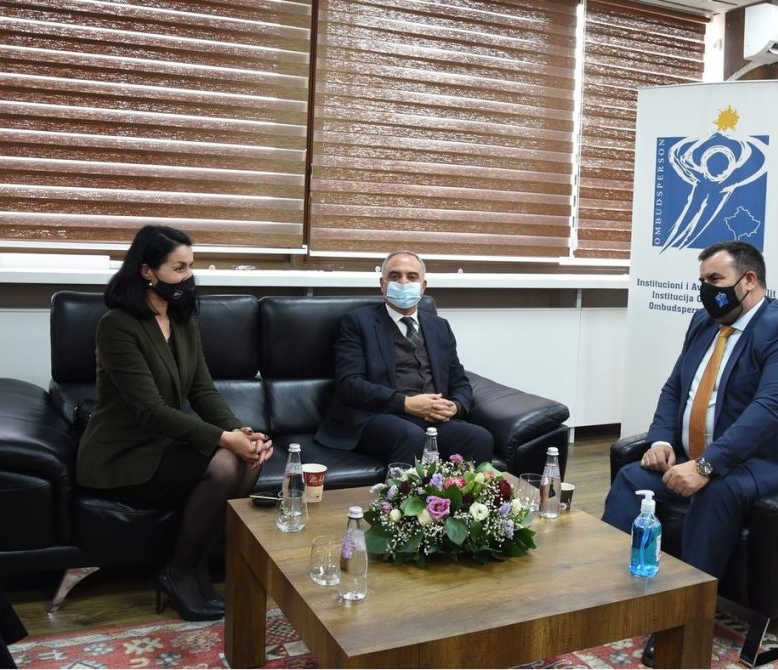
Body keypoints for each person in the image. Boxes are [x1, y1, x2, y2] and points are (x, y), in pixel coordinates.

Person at [602, 241, 778, 665]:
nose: (706, 290)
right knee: (632, 477)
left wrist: (706, 465)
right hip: (707, 454)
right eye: (702, 281)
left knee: (716, 493)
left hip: (774, 460)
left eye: (715, 280)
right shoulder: (705, 322)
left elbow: (769, 411)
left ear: (749, 281)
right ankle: (610, 595)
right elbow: (677, 387)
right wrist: (660, 440)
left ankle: (685, 624)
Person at [76, 225, 273, 622]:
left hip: (164, 444)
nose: (189, 277)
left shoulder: (183, 320)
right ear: (147, 271)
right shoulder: (117, 325)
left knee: (248, 459)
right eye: (179, 268)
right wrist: (225, 440)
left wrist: (241, 432)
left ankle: (194, 566)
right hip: (124, 454)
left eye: (191, 266)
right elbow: (149, 410)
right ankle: (178, 573)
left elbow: (202, 390)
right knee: (225, 463)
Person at [314, 251, 494, 465]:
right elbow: (349, 384)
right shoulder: (358, 322)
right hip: (378, 416)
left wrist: (455, 406)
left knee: (479, 437)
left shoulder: (439, 326)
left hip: (432, 419)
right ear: (382, 284)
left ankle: (458, 489)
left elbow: (460, 381)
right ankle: (399, 490)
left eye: (412, 276)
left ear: (423, 286)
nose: (403, 282)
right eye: (395, 276)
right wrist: (406, 403)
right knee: (411, 436)